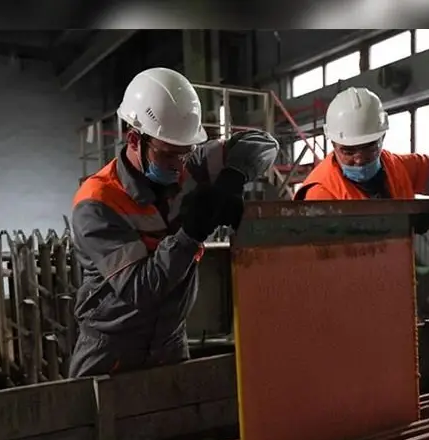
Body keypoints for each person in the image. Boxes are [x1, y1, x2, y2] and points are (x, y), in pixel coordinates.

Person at [69, 67, 279, 378]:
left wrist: (232, 179)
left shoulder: (187, 165)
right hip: (111, 352)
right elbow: (142, 289)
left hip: (170, 343)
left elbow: (264, 144)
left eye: (186, 153)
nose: (180, 165)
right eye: (168, 155)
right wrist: (191, 232)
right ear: (133, 139)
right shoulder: (97, 202)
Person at [295, 87, 429, 234]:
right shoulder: (319, 192)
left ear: (382, 139)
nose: (359, 159)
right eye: (348, 151)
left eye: (368, 147)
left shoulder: (398, 167)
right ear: (333, 144)